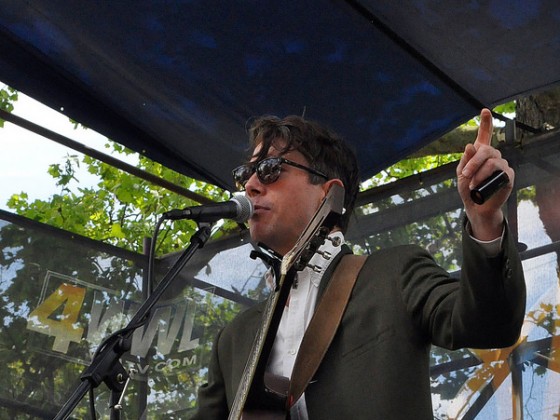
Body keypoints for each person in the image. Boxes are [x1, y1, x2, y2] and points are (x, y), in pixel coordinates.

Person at [192, 109, 526, 419]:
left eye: (270, 169)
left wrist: (484, 220)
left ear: (328, 192)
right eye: (246, 173)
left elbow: (491, 323)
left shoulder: (394, 274)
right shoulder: (233, 340)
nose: (251, 184)